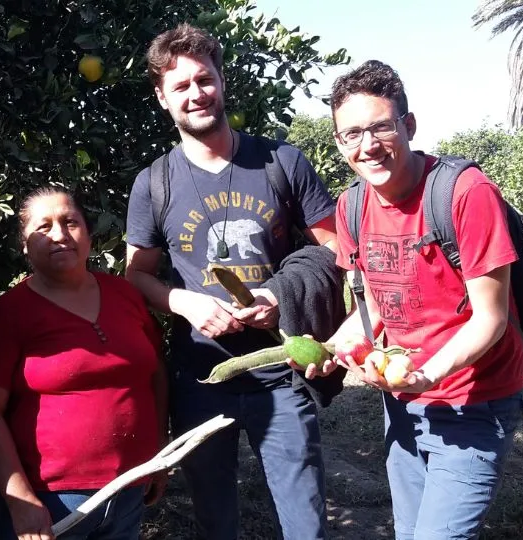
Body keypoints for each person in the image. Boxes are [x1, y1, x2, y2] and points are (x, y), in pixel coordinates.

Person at [124, 23, 347, 540]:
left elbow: (337, 247)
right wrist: (183, 301)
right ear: (162, 97)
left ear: (222, 81)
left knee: (305, 516)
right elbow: (136, 275)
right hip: (201, 376)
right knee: (214, 519)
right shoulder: (153, 182)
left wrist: (279, 293)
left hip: (281, 368)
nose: (195, 94)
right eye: (180, 86)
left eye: (204, 79)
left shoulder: (281, 162)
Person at [325, 60, 523, 539]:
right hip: (404, 406)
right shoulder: (350, 206)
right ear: (339, 143)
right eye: (351, 134)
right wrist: (336, 346)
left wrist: (428, 375)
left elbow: (491, 318)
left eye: (380, 127)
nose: (367, 146)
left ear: (408, 126)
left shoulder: (465, 193)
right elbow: (372, 307)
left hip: (473, 402)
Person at [0, 187, 168, 540]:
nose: (60, 235)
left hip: (130, 486)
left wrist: (158, 455)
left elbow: (155, 376)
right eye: (43, 227)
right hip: (50, 500)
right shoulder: (8, 315)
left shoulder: (125, 296)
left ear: (88, 235)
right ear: (24, 244)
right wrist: (19, 498)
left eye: (70, 222)